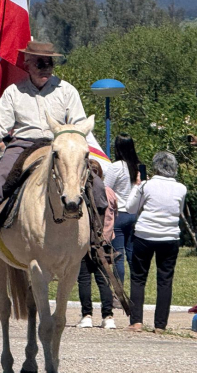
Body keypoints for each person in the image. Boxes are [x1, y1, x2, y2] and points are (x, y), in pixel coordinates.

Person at [0, 41, 107, 263]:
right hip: (22, 145)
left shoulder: (67, 91)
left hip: (58, 146)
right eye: (39, 63)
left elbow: (78, 125)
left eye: (49, 63)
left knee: (96, 184)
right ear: (27, 64)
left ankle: (99, 241)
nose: (45, 67)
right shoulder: (14, 92)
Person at [126, 151, 187, 332]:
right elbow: (179, 210)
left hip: (145, 234)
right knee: (165, 280)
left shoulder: (146, 185)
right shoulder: (181, 188)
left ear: (155, 167)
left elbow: (130, 208)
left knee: (138, 278)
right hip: (169, 236)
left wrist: (138, 186)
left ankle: (136, 321)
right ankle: (160, 325)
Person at [78, 160, 117, 330]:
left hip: (86, 242)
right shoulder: (109, 192)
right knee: (104, 280)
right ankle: (108, 316)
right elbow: (115, 212)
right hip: (105, 241)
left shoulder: (80, 193)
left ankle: (87, 315)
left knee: (84, 280)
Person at [104, 133, 141, 284]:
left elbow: (106, 189)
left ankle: (118, 294)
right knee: (132, 255)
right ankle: (137, 290)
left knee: (118, 256)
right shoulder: (138, 167)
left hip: (119, 214)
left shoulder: (115, 167)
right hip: (134, 214)